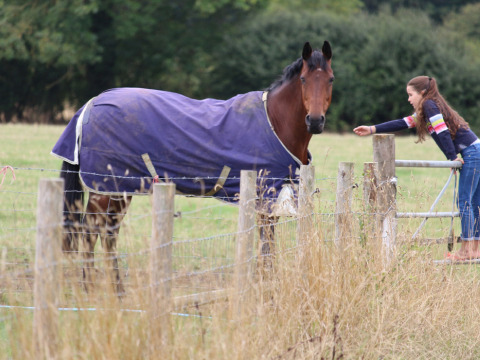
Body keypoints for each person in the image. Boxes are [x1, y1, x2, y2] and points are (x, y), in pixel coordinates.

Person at [353, 75, 480, 260]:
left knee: (466, 202)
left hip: (472, 153)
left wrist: (452, 157)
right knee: (474, 202)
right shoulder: (428, 108)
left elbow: (442, 131)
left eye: (410, 94)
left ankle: (467, 251)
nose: (409, 99)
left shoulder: (429, 105)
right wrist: (372, 129)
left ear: (422, 93)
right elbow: (402, 123)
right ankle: (475, 249)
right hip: (475, 149)